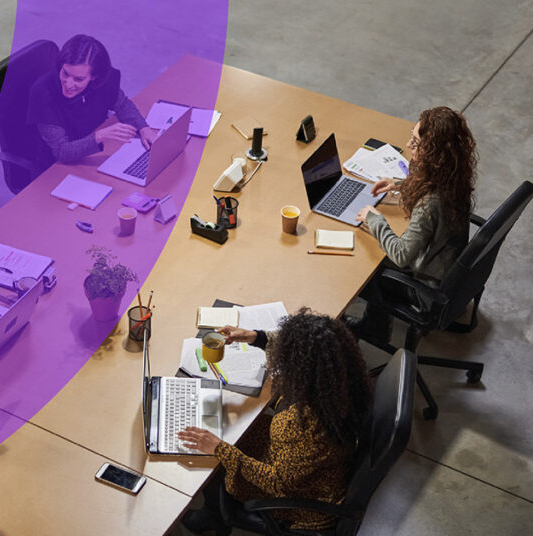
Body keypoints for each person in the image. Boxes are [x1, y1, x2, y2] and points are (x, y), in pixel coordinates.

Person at [177, 309, 373, 532]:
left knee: (216, 456)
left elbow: (276, 482)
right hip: (308, 465)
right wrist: (256, 337)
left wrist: (221, 450)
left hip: (301, 497)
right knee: (230, 427)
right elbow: (304, 348)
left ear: (300, 370)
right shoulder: (339, 379)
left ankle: (213, 516)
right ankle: (214, 507)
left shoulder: (303, 426)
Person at [347, 106, 478, 341]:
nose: (409, 145)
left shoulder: (430, 203)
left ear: (434, 154)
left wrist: (374, 218)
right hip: (446, 271)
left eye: (416, 143)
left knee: (361, 265)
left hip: (427, 286)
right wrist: (400, 184)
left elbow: (401, 255)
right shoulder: (454, 178)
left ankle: (373, 328)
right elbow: (430, 188)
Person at [27, 34, 155, 167]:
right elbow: (61, 151)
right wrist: (99, 136)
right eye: (65, 73)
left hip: (91, 146)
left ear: (94, 77)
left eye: (79, 79)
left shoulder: (103, 79)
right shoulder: (43, 92)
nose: (68, 84)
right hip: (56, 165)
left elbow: (122, 104)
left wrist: (143, 128)